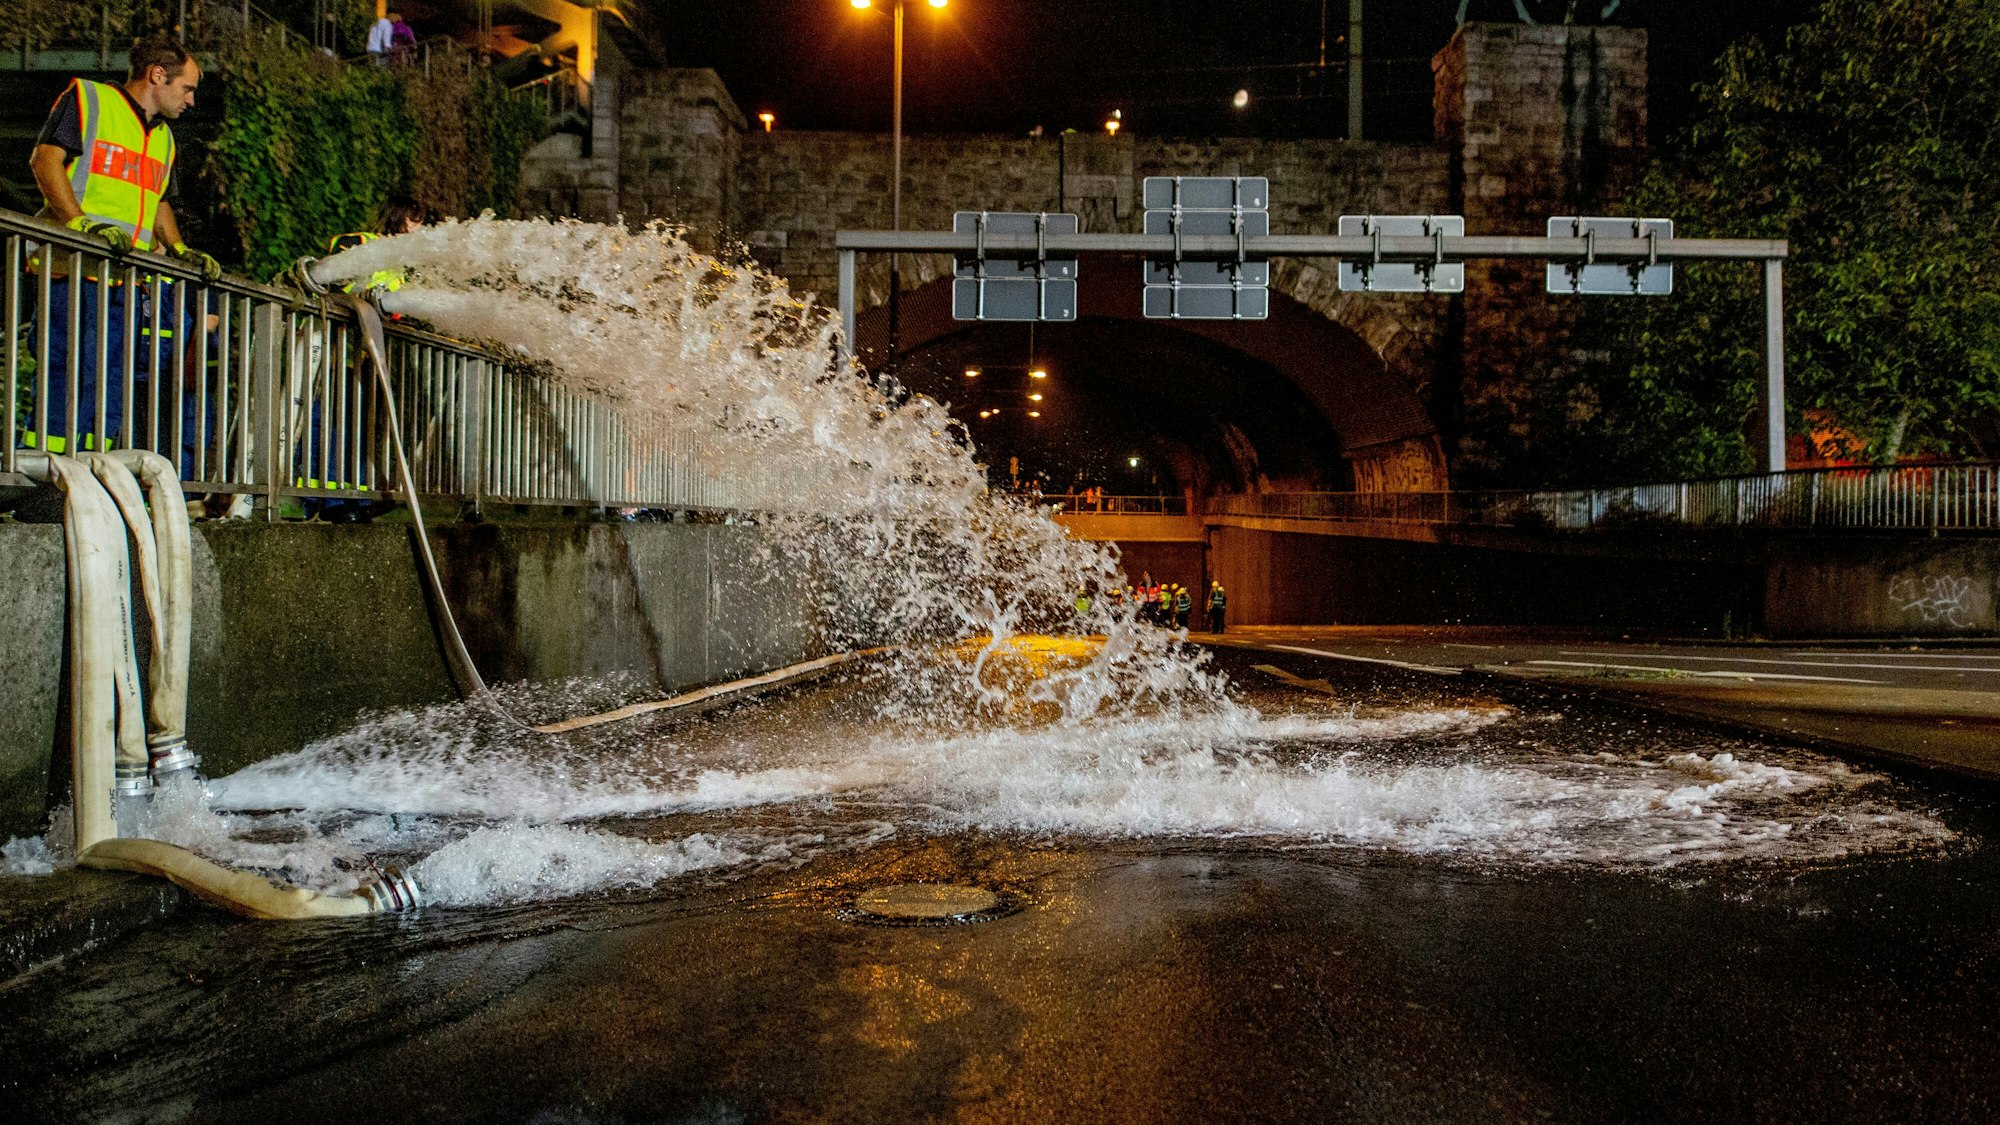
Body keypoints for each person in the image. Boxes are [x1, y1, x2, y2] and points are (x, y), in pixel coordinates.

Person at [27, 34, 219, 454]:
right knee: (70, 374)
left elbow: (158, 201)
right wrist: (80, 224)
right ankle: (43, 480)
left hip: (125, 280)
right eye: (187, 88)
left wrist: (179, 248)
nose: (191, 100)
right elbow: (45, 162)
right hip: (74, 267)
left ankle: (92, 473)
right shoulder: (89, 99)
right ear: (156, 76)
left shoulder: (164, 138)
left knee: (109, 383)